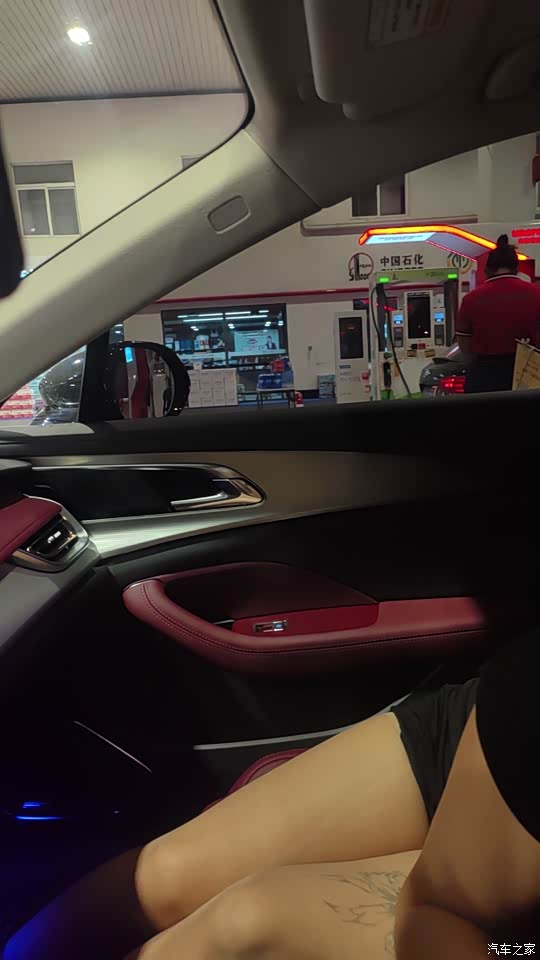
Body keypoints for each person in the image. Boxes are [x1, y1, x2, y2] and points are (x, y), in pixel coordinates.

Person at [5, 628, 540, 959]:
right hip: (498, 740)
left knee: (248, 922)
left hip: (519, 943)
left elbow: (448, 913)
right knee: (159, 878)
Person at [456, 234, 540, 393]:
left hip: (484, 379)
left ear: (487, 270)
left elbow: (464, 346)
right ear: (516, 268)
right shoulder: (537, 294)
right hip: (527, 377)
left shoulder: (471, 299)